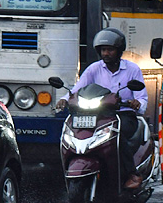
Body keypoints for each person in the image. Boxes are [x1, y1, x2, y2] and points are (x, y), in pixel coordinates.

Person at [56, 28, 149, 189]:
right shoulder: (94, 69)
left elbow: (142, 97)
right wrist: (64, 100)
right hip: (97, 115)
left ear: (119, 51)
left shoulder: (132, 69)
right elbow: (77, 89)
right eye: (103, 50)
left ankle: (132, 174)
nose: (106, 53)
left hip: (123, 115)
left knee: (118, 137)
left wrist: (137, 103)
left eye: (110, 50)